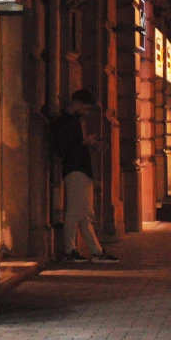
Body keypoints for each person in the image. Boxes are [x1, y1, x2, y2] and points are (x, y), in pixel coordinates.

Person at [52, 89, 119, 263]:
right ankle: (70, 250)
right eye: (87, 109)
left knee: (86, 214)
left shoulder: (74, 121)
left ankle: (96, 252)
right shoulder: (64, 121)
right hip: (75, 170)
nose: (87, 113)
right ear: (79, 103)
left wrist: (90, 143)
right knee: (74, 213)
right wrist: (84, 141)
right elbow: (61, 147)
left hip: (82, 170)